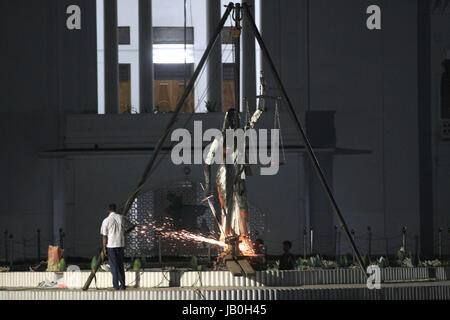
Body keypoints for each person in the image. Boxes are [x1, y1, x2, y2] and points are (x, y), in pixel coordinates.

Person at [100, 204, 133, 290]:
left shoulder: (106, 220)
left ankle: (116, 286)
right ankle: (122, 285)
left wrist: (104, 248)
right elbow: (131, 226)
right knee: (120, 265)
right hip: (120, 244)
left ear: (108, 210)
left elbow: (104, 236)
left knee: (114, 266)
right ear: (116, 209)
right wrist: (124, 233)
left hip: (111, 245)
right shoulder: (121, 218)